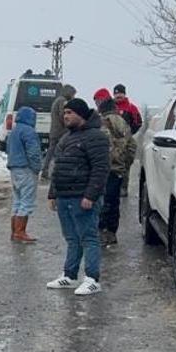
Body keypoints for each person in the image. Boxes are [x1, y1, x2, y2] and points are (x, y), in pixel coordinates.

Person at [46, 98, 110, 296]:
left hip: (82, 197)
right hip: (65, 197)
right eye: (64, 113)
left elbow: (101, 169)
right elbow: (58, 167)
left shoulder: (96, 137)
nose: (66, 116)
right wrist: (52, 193)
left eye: (70, 113)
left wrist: (90, 195)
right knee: (72, 238)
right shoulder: (66, 138)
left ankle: (92, 278)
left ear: (81, 115)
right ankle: (70, 275)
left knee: (89, 237)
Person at [96, 96, 137, 246]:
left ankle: (101, 231)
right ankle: (112, 233)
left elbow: (100, 147)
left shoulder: (102, 123)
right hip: (119, 169)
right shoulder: (124, 123)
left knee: (102, 201)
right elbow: (132, 146)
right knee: (114, 202)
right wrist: (126, 165)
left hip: (104, 169)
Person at [5, 105, 42, 243]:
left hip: (14, 169)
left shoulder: (14, 131)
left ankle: (14, 231)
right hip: (26, 168)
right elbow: (33, 153)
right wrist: (37, 168)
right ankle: (21, 232)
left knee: (17, 200)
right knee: (26, 201)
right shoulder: (29, 132)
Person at [40, 84, 78, 180]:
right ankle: (54, 171)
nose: (74, 97)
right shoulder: (63, 101)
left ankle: (45, 170)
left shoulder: (57, 100)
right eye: (73, 94)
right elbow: (63, 116)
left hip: (55, 131)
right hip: (61, 131)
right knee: (58, 152)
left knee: (51, 151)